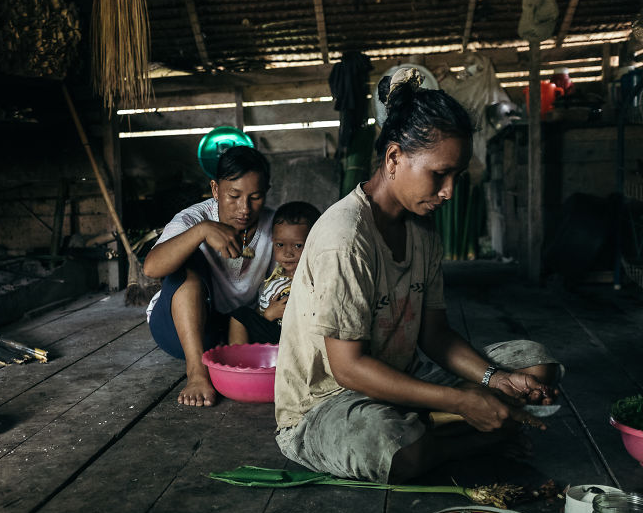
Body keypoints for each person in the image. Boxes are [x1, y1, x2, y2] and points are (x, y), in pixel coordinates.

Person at [273, 68, 561, 484]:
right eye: (439, 174)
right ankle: (465, 437)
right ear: (394, 159)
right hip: (328, 405)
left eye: (456, 176)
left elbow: (435, 334)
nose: (449, 191)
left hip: (403, 383)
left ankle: (445, 429)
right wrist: (459, 400)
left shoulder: (422, 230)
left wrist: (494, 378)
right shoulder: (345, 237)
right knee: (389, 445)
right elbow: (349, 370)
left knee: (535, 366)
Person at [144, 145, 275, 407]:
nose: (244, 208)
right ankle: (196, 373)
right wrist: (201, 231)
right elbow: (151, 268)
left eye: (255, 197)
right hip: (182, 329)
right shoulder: (194, 218)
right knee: (186, 268)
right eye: (234, 196)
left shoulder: (274, 225)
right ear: (215, 189)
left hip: (238, 332)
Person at [227, 201, 321, 345]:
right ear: (273, 241)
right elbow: (261, 311)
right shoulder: (275, 278)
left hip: (300, 340)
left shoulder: (313, 279)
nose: (287, 253)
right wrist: (268, 315)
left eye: (298, 245)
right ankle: (240, 356)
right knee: (240, 315)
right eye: (280, 245)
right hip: (273, 336)